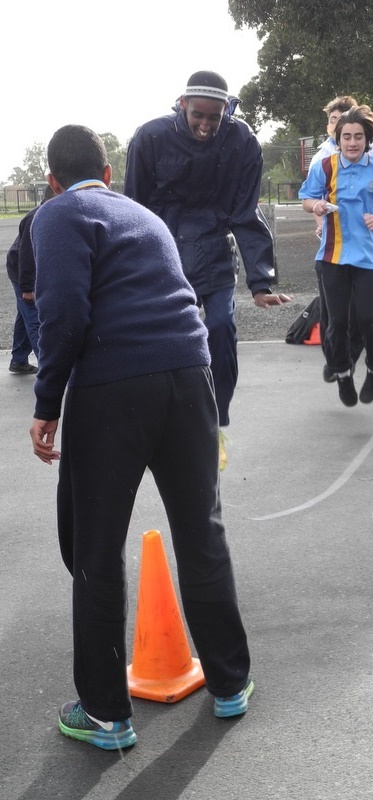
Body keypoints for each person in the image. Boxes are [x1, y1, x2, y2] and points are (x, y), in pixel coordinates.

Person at [29, 125, 253, 751]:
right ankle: (230, 683)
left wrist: (48, 405)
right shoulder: (142, 214)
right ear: (108, 171)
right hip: (189, 375)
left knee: (96, 551)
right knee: (200, 531)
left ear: (52, 179)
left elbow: (64, 314)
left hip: (114, 387)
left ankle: (106, 714)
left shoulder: (58, 214)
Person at [124, 70, 291, 461]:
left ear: (225, 113)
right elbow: (134, 209)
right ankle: (158, 418)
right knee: (161, 337)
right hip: (164, 252)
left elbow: (245, 213)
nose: (205, 125)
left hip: (214, 250)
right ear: (182, 104)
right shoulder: (150, 137)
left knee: (220, 326)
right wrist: (130, 270)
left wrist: (260, 282)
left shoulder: (242, 142)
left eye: (214, 118)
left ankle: (217, 418)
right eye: (198, 114)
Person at [308, 95, 373, 381]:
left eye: (343, 118)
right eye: (332, 120)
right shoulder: (322, 158)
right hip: (332, 246)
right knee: (333, 312)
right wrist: (319, 218)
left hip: (367, 241)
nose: (348, 138)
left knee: (365, 311)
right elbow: (312, 198)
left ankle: (359, 357)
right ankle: (337, 362)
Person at [299, 106, 373, 407]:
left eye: (358, 137)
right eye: (346, 137)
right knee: (336, 323)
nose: (352, 143)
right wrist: (316, 206)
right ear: (337, 139)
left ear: (367, 139)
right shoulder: (325, 166)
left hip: (367, 257)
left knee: (368, 318)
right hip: (332, 256)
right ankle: (342, 373)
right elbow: (307, 199)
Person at [5, 186, 54, 374]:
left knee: (24, 315)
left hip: (31, 270)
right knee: (34, 318)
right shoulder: (35, 218)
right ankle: (49, 369)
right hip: (21, 271)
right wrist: (26, 287)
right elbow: (26, 256)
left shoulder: (51, 214)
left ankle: (18, 360)